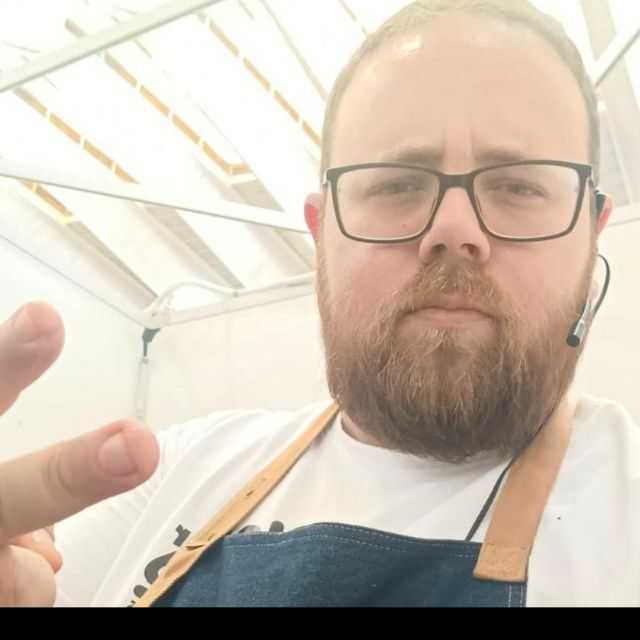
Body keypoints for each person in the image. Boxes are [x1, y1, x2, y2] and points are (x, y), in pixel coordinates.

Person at [1, 0, 638, 608]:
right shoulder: (171, 471)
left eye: (520, 186)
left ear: (592, 235)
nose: (453, 227)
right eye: (396, 185)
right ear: (321, 234)